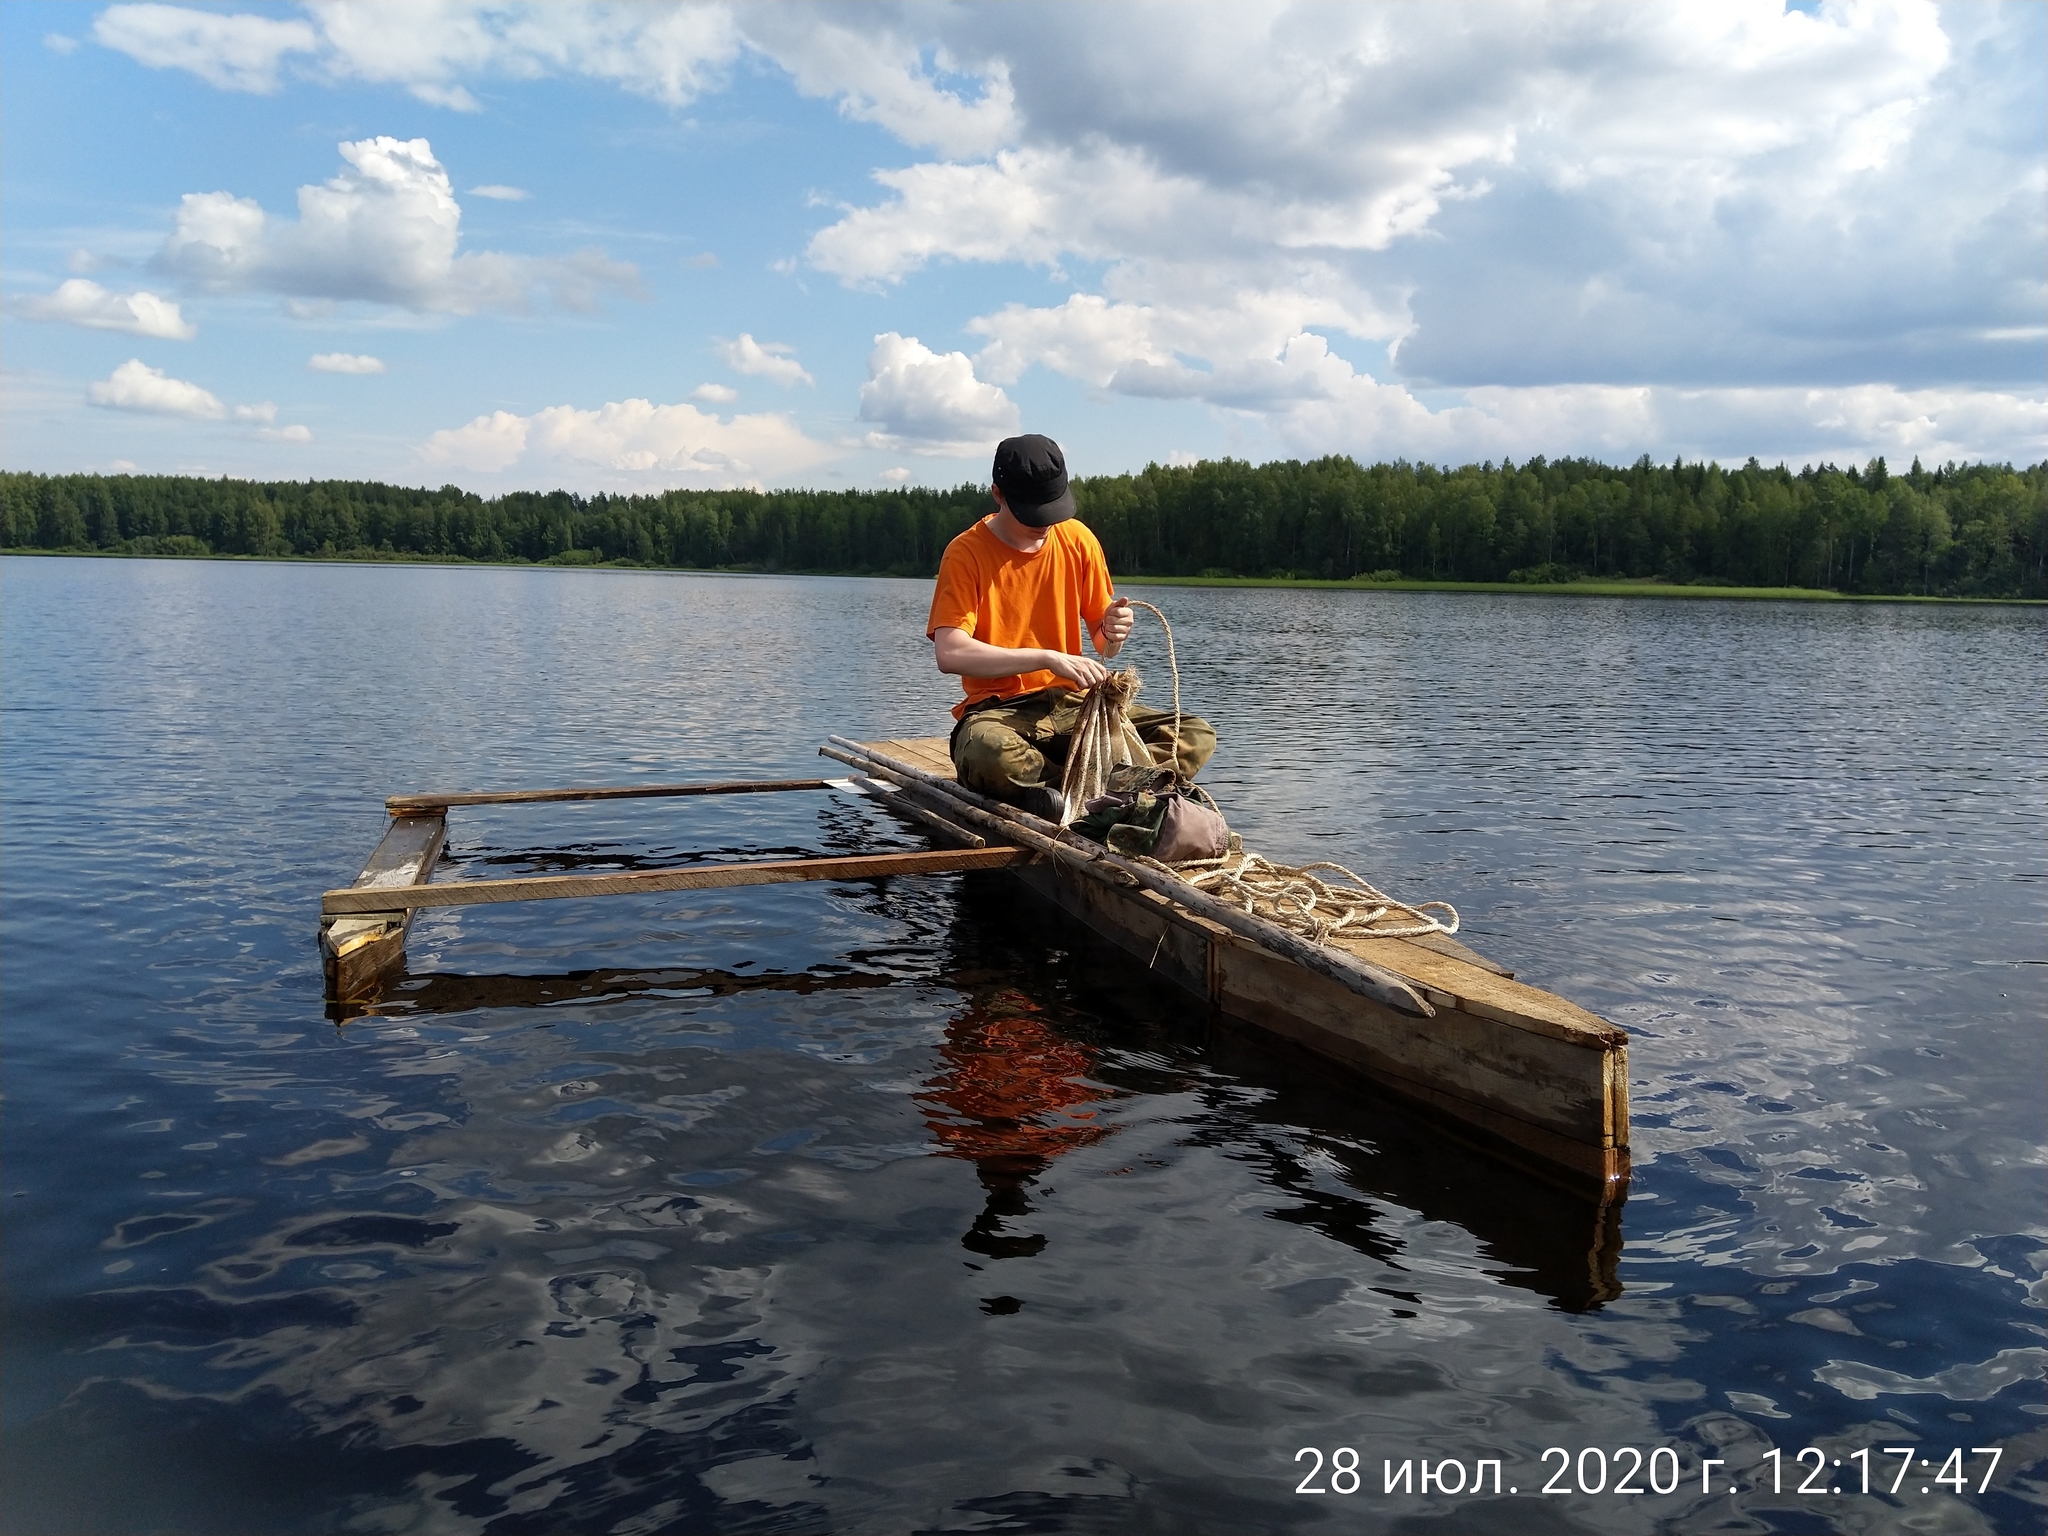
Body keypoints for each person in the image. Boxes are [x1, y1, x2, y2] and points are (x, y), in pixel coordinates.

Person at [927, 433, 1216, 820]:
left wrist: (1114, 630)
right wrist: (1047, 658)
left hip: (1072, 708)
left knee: (1194, 734)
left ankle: (1071, 791)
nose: (1045, 523)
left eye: (1053, 508)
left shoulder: (1078, 540)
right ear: (998, 494)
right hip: (998, 712)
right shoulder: (965, 553)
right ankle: (1108, 789)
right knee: (988, 754)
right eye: (1032, 512)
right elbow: (951, 653)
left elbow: (1104, 642)